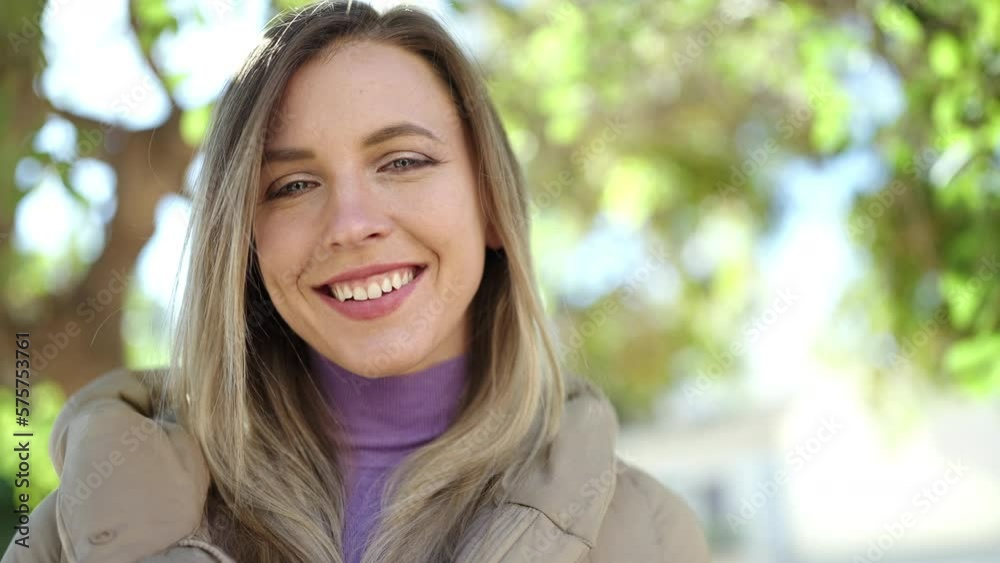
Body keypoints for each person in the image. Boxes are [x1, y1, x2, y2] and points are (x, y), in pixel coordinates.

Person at [2, 2, 710, 562]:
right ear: (243, 244)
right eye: (293, 184)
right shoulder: (84, 521)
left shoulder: (649, 534)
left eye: (402, 161)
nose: (351, 222)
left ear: (491, 203)